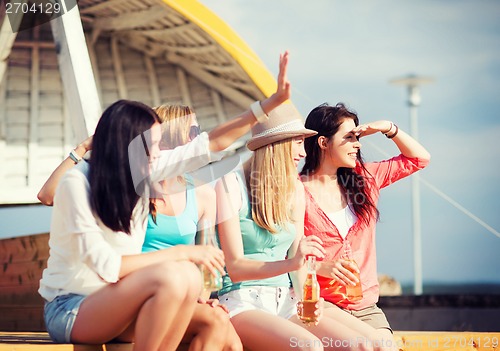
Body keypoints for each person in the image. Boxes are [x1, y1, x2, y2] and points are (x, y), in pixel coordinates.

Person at [38, 52, 292, 349]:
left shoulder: (142, 169)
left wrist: (266, 107)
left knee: (207, 309)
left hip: (120, 303)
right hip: (72, 308)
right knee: (176, 273)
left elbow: (209, 144)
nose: (160, 153)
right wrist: (182, 252)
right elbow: (106, 266)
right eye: (154, 145)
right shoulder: (77, 182)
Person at [215, 104, 379, 351]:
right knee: (309, 347)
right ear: (276, 144)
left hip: (288, 301)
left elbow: (296, 257)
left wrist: (307, 299)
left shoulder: (295, 188)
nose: (303, 153)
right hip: (244, 302)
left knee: (366, 346)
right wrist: (293, 264)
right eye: (297, 143)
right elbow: (236, 268)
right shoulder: (230, 185)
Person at [299, 103, 431, 350]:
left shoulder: (366, 180)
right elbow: (284, 253)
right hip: (320, 302)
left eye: (357, 137)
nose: (357, 144)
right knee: (366, 346)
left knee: (387, 347)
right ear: (323, 143)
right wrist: (321, 267)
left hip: (365, 306)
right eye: (348, 138)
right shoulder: (297, 191)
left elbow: (419, 159)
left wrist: (388, 128)